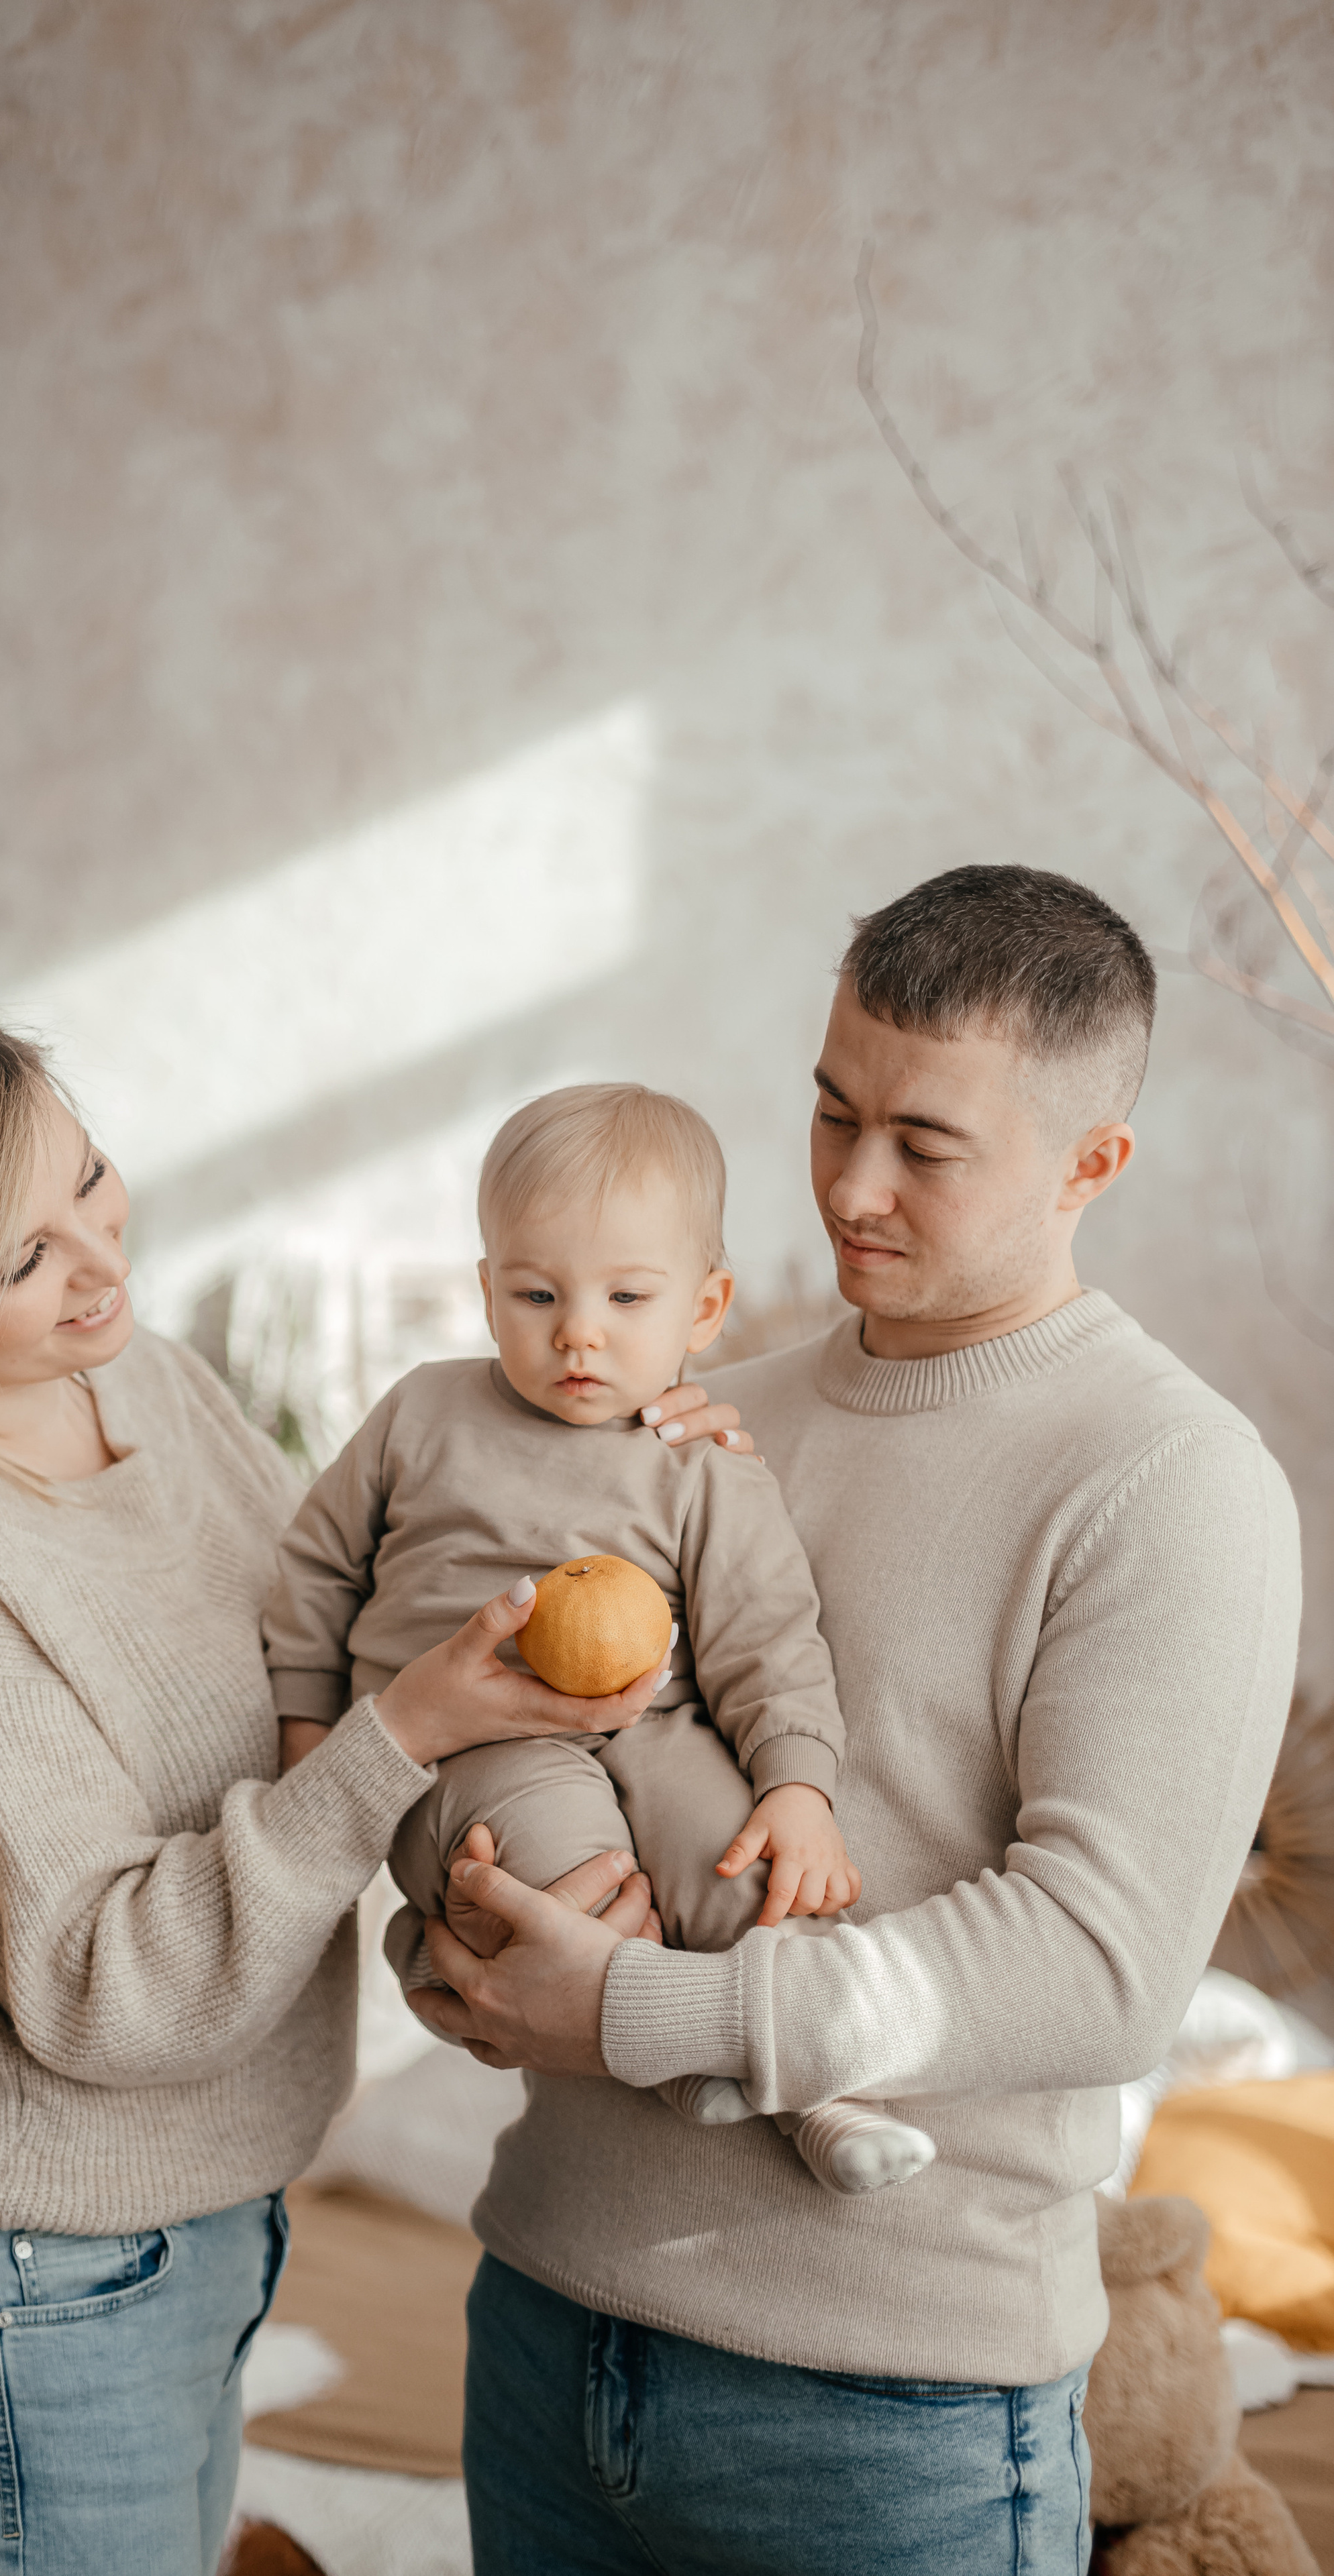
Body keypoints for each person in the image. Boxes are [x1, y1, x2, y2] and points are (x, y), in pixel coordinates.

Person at [0, 985, 731, 2576]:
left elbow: (342, 1649)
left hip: (191, 2242)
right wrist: (406, 1736)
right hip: (10, 2292)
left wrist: (625, 1462)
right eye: (23, 1260)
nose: (102, 1262)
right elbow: (113, 1985)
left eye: (90, 1182)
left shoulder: (147, 1388)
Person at [408, 865, 1302, 2576]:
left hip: (889, 2423)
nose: (849, 1186)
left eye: (923, 1143)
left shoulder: (1171, 1485)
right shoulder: (684, 1424)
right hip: (543, 2331)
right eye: (829, 1111)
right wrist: (459, 1947)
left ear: (1089, 1165)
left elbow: (1102, 1963)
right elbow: (527, 1744)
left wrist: (640, 2009)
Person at [266, 1081, 931, 2194]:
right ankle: (669, 2057)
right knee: (577, 1868)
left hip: (653, 1727)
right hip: (471, 1748)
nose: (579, 1330)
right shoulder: (423, 1413)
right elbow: (316, 1569)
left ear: (704, 1308)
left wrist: (799, 1786)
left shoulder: (702, 1460)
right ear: (486, 1293)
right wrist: (307, 1744)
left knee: (740, 1868)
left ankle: (827, 2095)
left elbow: (768, 1637)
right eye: (537, 1293)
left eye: (628, 1296)